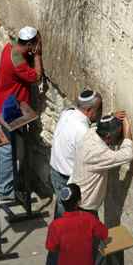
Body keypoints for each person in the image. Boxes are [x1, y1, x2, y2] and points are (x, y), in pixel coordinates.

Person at [0, 26, 43, 199]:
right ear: (30, 45)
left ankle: (7, 184)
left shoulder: (9, 48)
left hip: (1, 107)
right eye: (36, 43)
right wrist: (37, 56)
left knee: (8, 149)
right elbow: (36, 77)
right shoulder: (19, 64)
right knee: (7, 150)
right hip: (9, 113)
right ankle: (5, 191)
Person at [50, 89, 102, 217]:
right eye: (99, 109)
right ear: (89, 110)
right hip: (68, 179)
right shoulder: (82, 131)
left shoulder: (68, 113)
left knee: (62, 211)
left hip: (55, 171)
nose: (100, 112)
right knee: (71, 219)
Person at [69, 114, 133, 215]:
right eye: (117, 136)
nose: (118, 140)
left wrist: (111, 117)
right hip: (84, 206)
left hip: (76, 198)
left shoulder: (91, 133)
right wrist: (127, 130)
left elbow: (97, 125)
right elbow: (127, 154)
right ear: (108, 136)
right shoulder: (97, 152)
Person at [46, 183, 108, 265]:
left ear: (62, 203)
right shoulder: (89, 218)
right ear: (79, 201)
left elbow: (51, 247)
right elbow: (104, 233)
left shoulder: (55, 225)